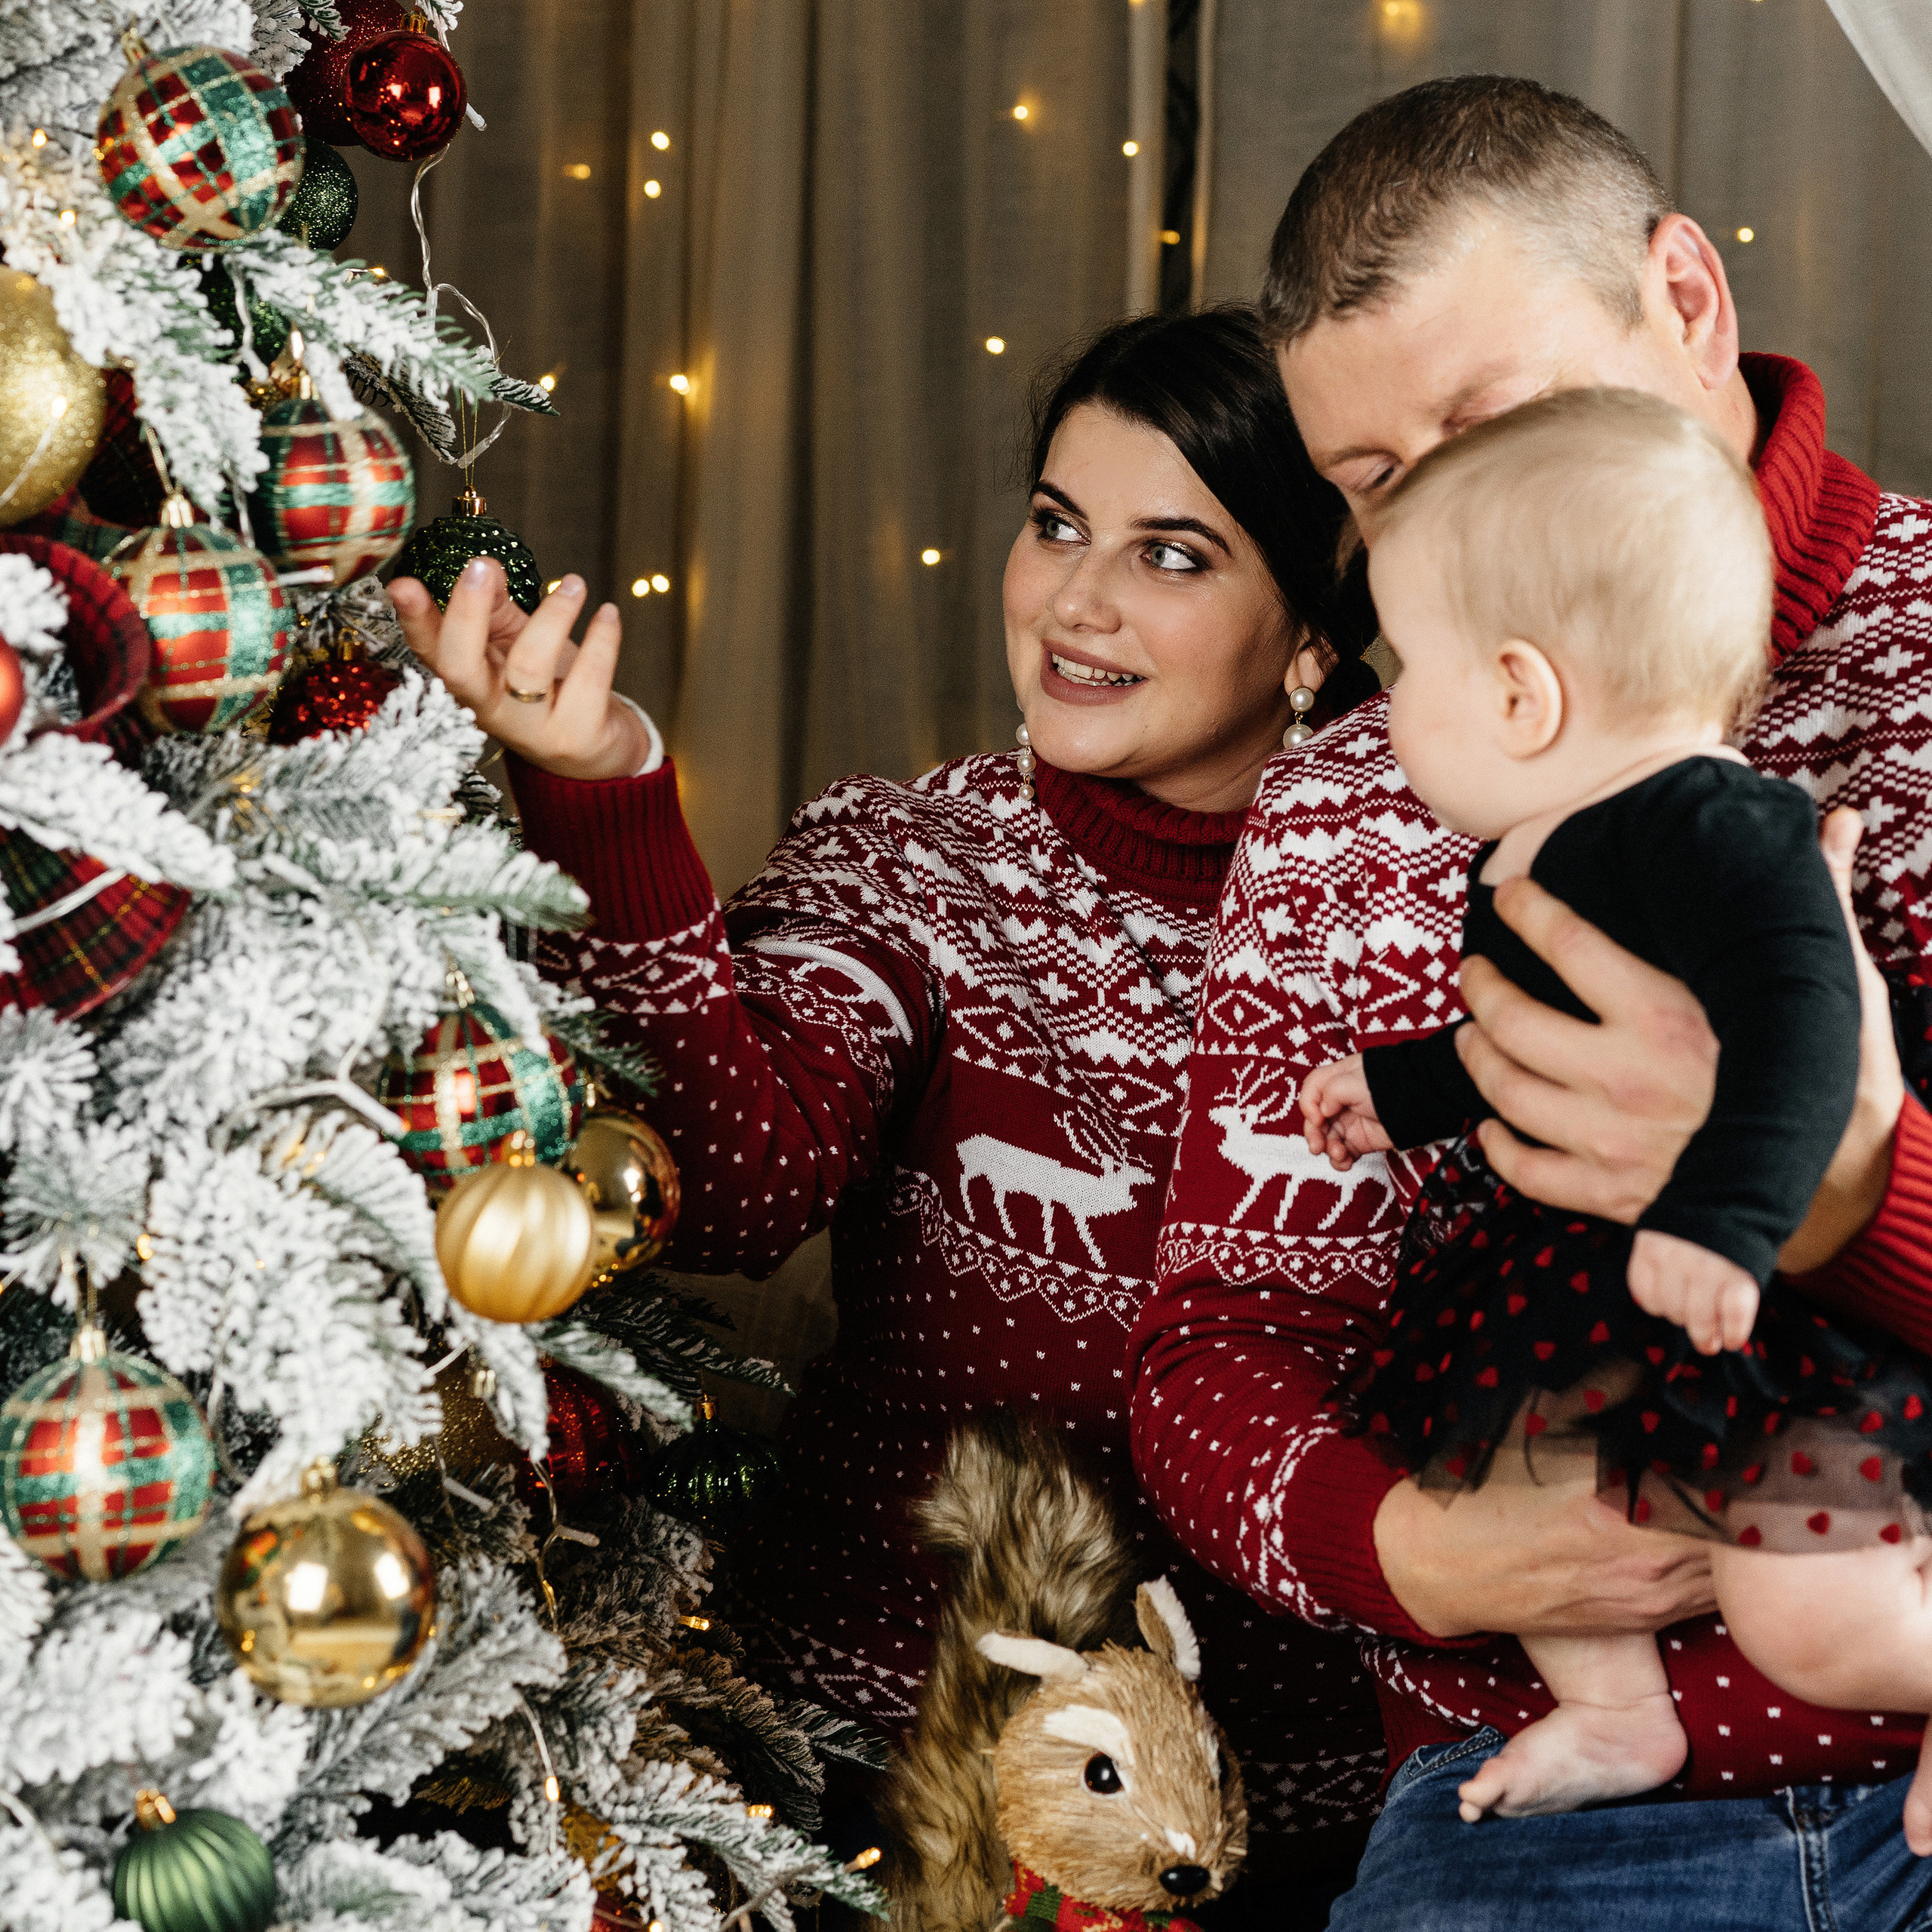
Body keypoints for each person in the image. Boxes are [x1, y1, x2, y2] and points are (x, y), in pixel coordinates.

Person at [393, 307, 1389, 1904]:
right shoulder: (913, 862)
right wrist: (603, 789)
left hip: (1298, 1816)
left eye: (1173, 554)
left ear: (1314, 628)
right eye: (1056, 523)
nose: (1072, 598)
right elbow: (725, 1191)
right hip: (892, 1772)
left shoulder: (1415, 906)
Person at [1131, 76, 1932, 1928]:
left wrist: (1840, 1201)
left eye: (1497, 421)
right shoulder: (1356, 787)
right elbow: (1212, 1348)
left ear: (1684, 297)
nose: (1448, 511)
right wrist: (1415, 1545)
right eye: (1374, 482)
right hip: (1558, 1801)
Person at [1300, 386, 1932, 1829]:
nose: (1388, 707)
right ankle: (1615, 1712)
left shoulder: (1721, 822)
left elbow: (1807, 1028)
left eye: (1411, 669)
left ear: (1522, 694)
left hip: (1758, 1288)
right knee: (1508, 1473)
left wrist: (1727, 1222)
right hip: (1591, 1273)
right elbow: (1528, 1044)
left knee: (1802, 1611)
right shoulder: (1557, 839)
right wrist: (1396, 1091)